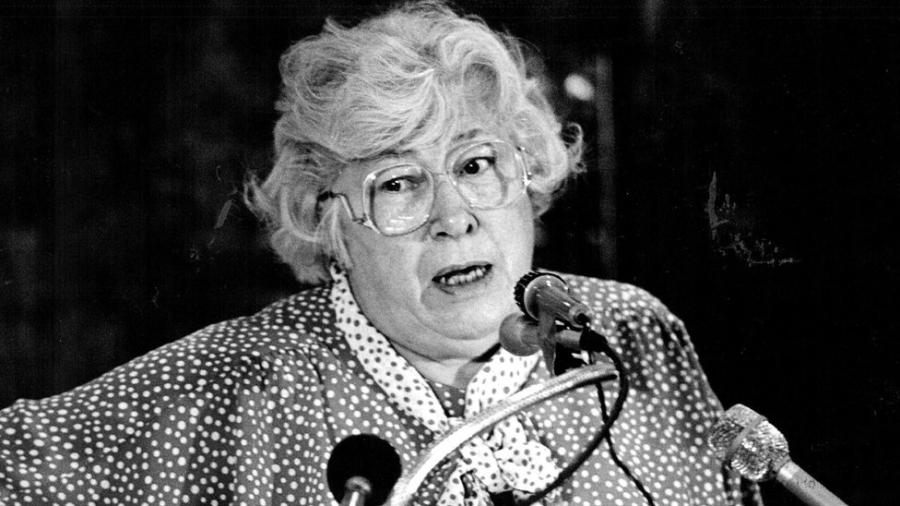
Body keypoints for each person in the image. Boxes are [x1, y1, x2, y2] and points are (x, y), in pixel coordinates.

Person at [0, 2, 761, 504]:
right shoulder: (240, 386)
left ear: (527, 174)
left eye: (476, 164)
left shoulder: (630, 336)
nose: (453, 218)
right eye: (399, 183)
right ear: (328, 221)